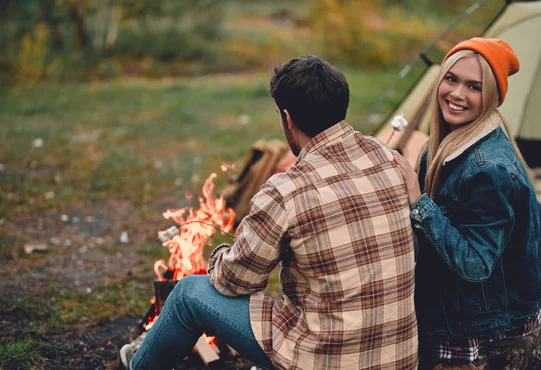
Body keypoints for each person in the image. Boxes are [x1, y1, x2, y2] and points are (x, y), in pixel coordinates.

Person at [120, 55, 419, 370]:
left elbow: (236, 280)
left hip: (325, 361)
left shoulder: (287, 189)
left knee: (187, 293)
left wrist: (221, 255)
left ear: (288, 119)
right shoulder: (388, 157)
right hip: (398, 358)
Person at [393, 38, 541, 369]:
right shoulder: (442, 144)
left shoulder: (488, 169)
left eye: (474, 86)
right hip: (476, 293)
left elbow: (476, 265)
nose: (457, 94)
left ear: (491, 97)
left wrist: (418, 202)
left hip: (489, 311)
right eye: (452, 79)